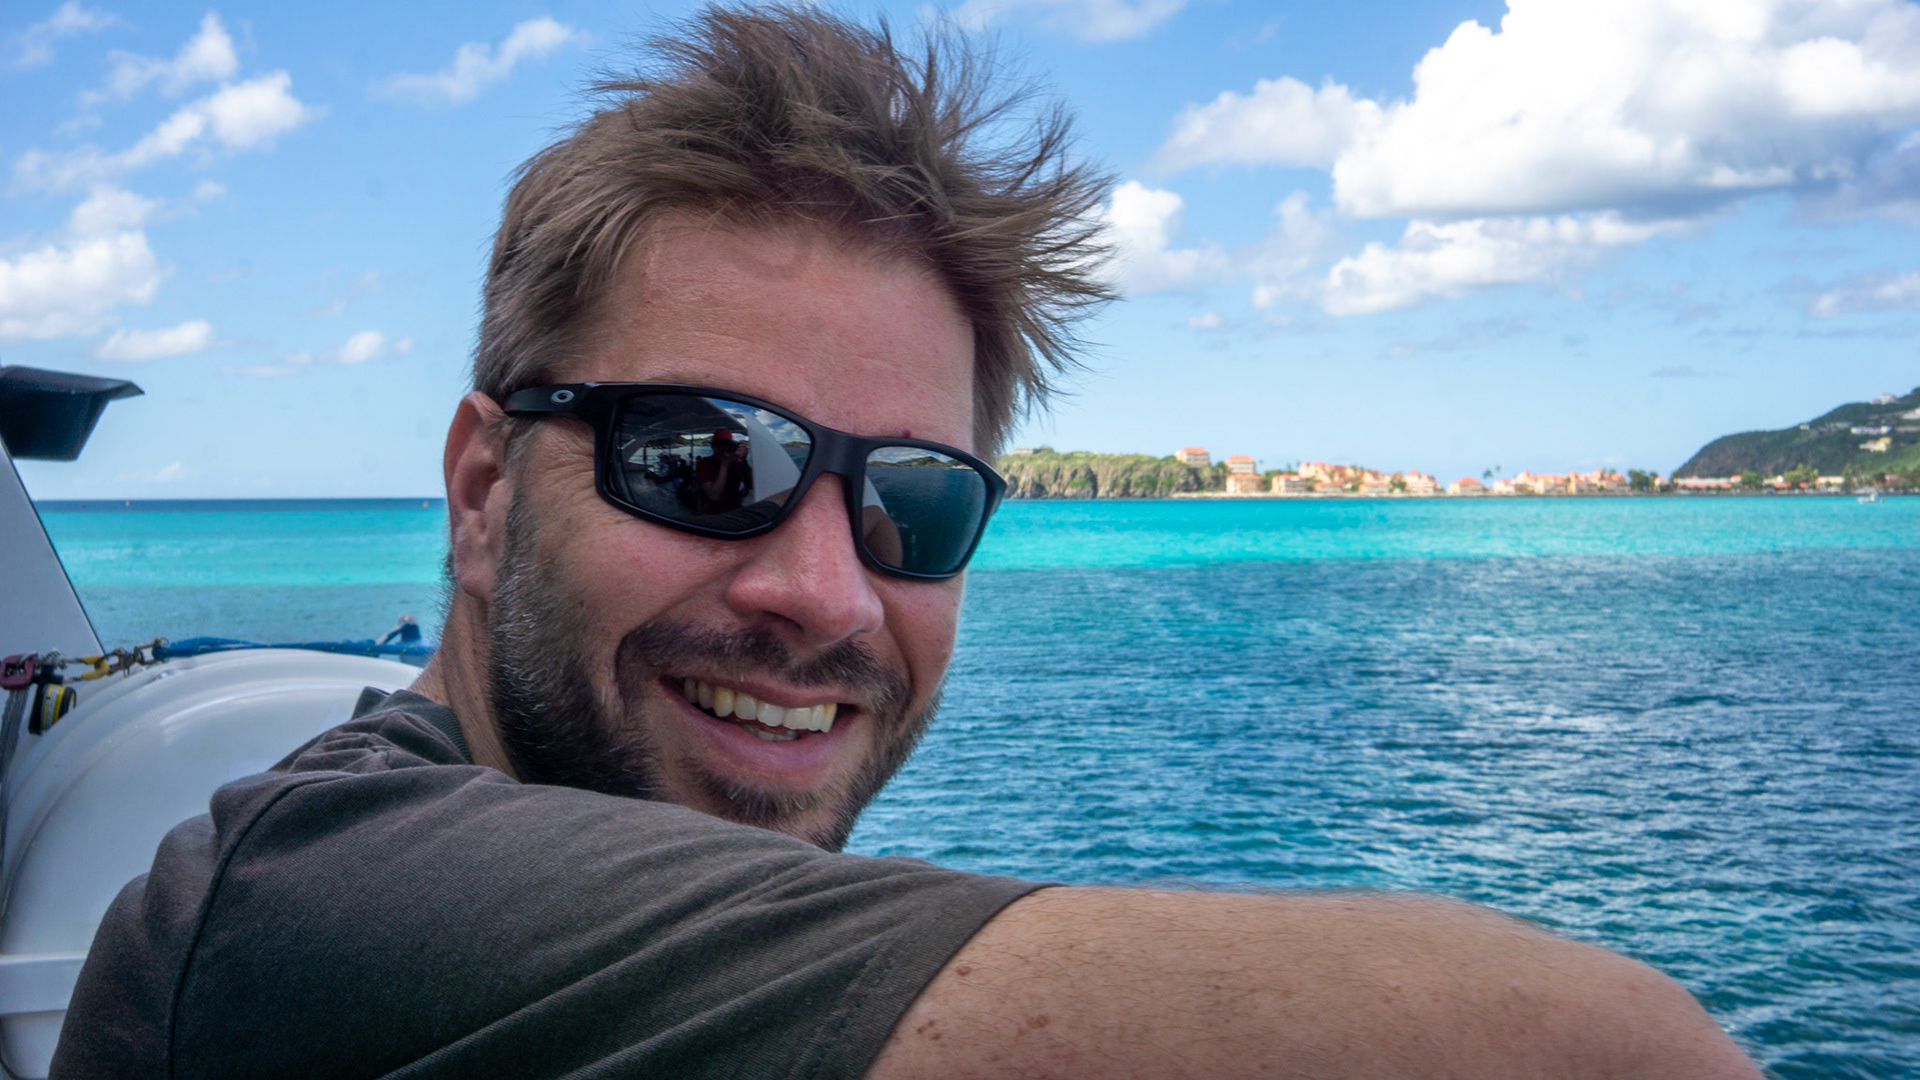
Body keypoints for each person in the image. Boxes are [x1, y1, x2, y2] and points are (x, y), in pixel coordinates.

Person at [52, 7, 1760, 1078]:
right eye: (704, 462)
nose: (825, 592)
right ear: (485, 490)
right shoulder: (295, 908)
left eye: (913, 504)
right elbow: (1599, 1053)